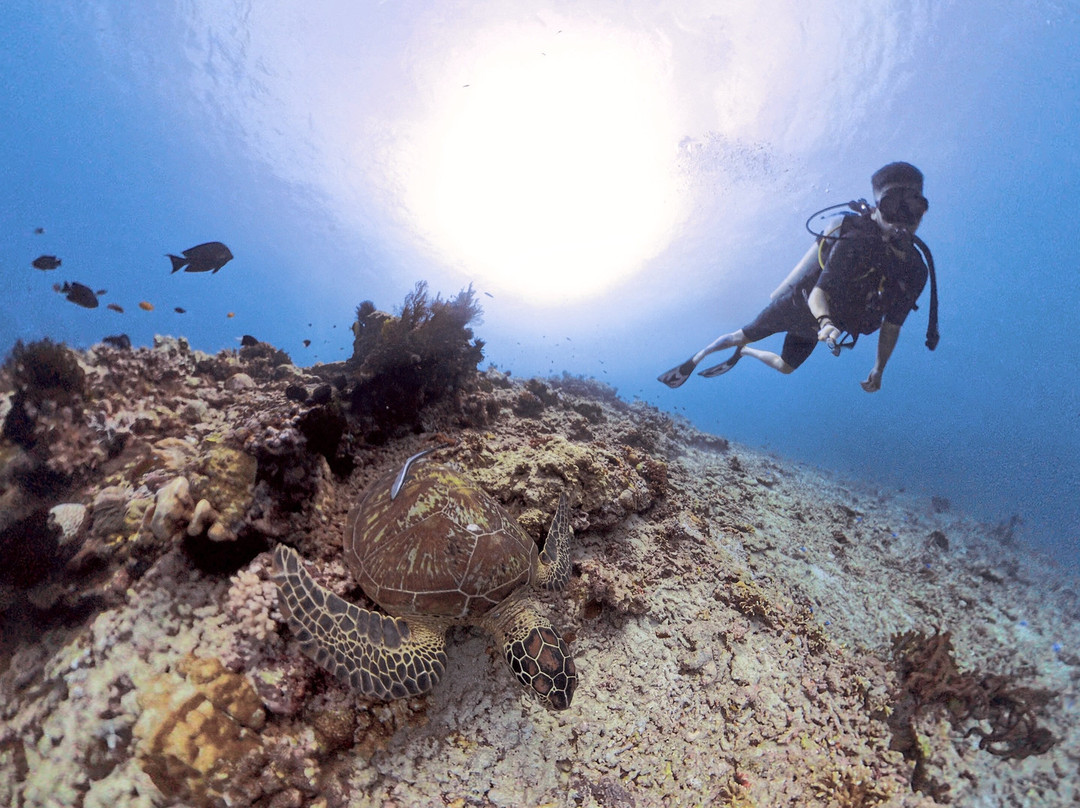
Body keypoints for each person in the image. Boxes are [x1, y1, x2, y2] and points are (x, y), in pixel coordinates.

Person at [658, 162, 938, 393]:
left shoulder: (915, 270)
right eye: (893, 206)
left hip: (824, 330)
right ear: (877, 207)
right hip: (799, 307)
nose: (903, 219)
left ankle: (745, 354)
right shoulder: (855, 240)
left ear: (923, 210)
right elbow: (819, 292)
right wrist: (826, 322)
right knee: (739, 335)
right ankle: (696, 359)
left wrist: (879, 369)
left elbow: (891, 326)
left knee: (785, 367)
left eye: (913, 208)